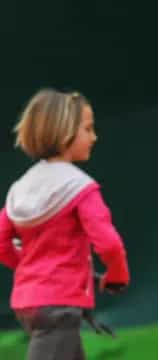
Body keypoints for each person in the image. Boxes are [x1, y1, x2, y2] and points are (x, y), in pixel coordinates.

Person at [0, 89, 130, 360]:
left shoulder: (20, 188)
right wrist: (117, 274)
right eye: (88, 129)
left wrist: (29, 267)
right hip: (59, 305)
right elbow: (108, 243)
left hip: (29, 302)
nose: (94, 137)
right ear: (64, 132)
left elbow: (2, 242)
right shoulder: (80, 188)